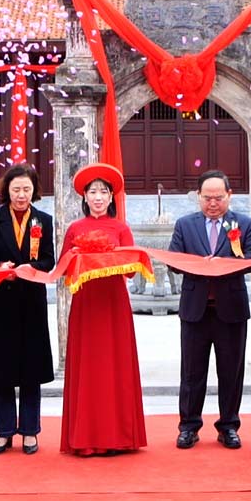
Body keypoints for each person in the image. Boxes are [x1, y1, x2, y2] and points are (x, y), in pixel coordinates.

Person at [60, 162, 146, 455]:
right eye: (92, 192)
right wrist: (77, 255)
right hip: (86, 304)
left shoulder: (121, 228)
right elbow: (63, 269)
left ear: (111, 198)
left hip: (113, 303)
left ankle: (118, 436)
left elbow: (132, 271)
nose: (98, 197)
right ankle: (86, 436)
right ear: (84, 197)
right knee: (88, 366)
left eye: (103, 192)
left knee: (114, 365)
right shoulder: (75, 229)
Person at [170, 169, 251, 451]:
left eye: (218, 197)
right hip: (195, 309)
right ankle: (189, 427)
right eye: (207, 197)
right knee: (192, 373)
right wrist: (199, 264)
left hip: (230, 309)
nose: (212, 203)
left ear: (229, 196)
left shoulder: (244, 224)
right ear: (198, 197)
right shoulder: (185, 225)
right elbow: (174, 261)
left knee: (230, 372)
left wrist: (221, 263)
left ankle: (229, 426)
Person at [0, 163, 55, 456]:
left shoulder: (43, 220)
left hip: (31, 301)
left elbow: (49, 260)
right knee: (1, 369)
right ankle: (4, 432)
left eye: (27, 189)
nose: (21, 195)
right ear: (6, 189)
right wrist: (0, 266)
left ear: (35, 190)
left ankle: (30, 431)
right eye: (16, 189)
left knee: (31, 369)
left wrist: (29, 268)